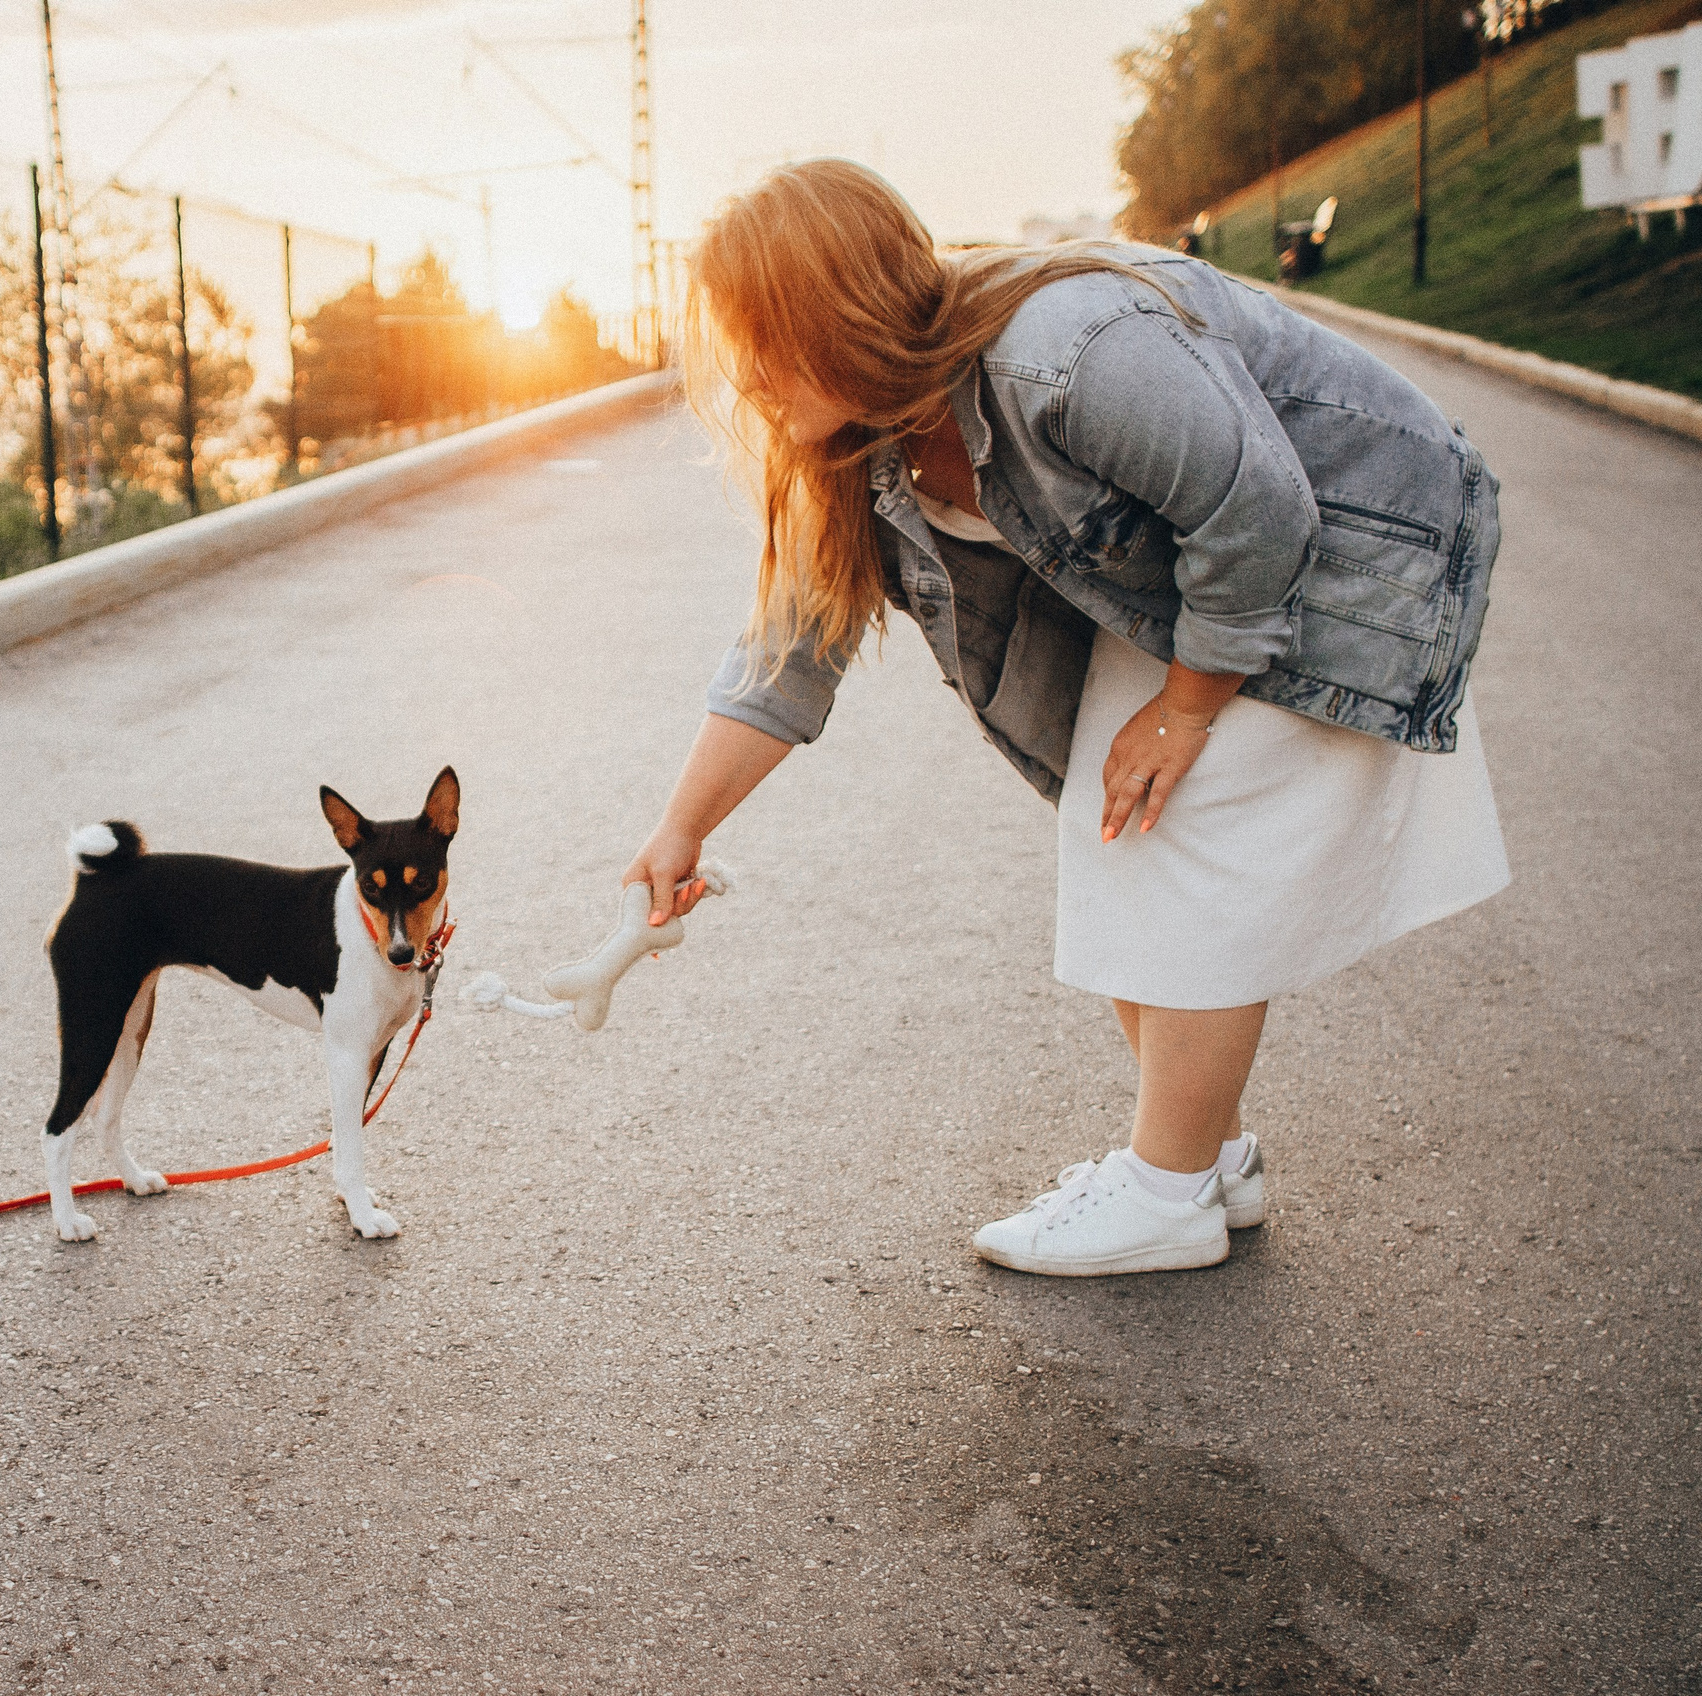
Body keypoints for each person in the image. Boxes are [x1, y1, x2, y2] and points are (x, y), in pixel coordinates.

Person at [622, 161, 1508, 1277]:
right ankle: (1204, 1157)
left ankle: (1169, 1190)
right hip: (1210, 579)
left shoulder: (1069, 348)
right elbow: (789, 650)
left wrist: (1187, 713)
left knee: (1188, 831)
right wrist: (680, 829)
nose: (741, 372)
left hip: (1350, 551)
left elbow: (1259, 506)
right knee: (1122, 834)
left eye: (760, 331)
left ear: (836, 308)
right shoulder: (854, 443)